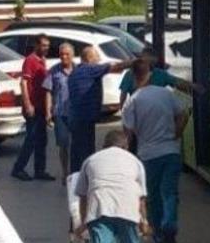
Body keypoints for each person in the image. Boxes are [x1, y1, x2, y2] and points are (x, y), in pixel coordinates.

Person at [122, 59, 188, 243]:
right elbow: (183, 114)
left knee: (152, 196)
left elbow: (129, 131)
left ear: (134, 77)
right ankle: (170, 224)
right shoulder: (165, 94)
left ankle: (158, 232)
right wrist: (176, 133)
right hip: (171, 151)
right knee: (169, 193)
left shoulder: (133, 100)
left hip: (148, 155)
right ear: (150, 74)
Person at [74, 130, 149, 243]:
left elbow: (83, 196)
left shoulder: (91, 160)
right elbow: (141, 198)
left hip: (100, 212)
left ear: (103, 146)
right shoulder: (135, 162)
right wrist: (144, 222)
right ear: (126, 147)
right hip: (128, 212)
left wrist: (83, 222)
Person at [68, 46, 133, 173]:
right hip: (84, 117)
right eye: (97, 56)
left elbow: (115, 71)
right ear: (90, 58)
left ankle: (75, 178)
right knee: (86, 151)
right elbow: (116, 67)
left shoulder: (76, 71)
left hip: (76, 116)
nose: (98, 60)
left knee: (76, 150)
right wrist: (135, 62)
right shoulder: (90, 69)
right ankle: (86, 178)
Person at [12, 34, 55, 182]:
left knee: (42, 140)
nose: (46, 48)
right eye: (43, 45)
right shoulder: (30, 60)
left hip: (42, 106)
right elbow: (23, 83)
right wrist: (28, 104)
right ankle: (18, 168)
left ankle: (40, 170)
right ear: (36, 45)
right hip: (33, 106)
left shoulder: (42, 60)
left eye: (47, 46)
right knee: (31, 139)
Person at [118, 51, 199, 107]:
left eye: (152, 63)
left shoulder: (160, 74)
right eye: (147, 63)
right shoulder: (130, 74)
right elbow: (123, 95)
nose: (149, 66)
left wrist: (193, 86)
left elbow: (176, 81)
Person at [43, 42, 75, 182]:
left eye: (67, 54)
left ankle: (76, 172)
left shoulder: (78, 70)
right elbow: (48, 92)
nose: (64, 57)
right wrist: (48, 111)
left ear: (72, 55)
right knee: (63, 144)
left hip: (76, 113)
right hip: (60, 113)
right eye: (61, 54)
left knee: (75, 144)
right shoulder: (54, 71)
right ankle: (65, 172)